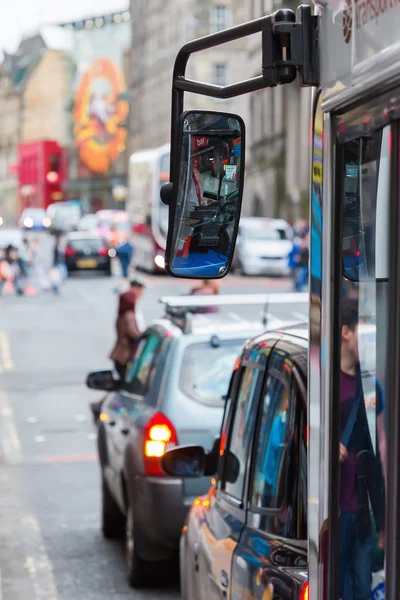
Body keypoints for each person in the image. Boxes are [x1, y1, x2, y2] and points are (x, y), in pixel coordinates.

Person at [338, 298, 385, 600]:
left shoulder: (371, 386)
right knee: (338, 584)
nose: (367, 342)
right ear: (346, 332)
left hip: (364, 508)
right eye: (362, 334)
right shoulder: (326, 383)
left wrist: (385, 518)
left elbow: (382, 446)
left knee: (361, 587)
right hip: (335, 508)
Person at [109, 278, 146, 379]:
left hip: (121, 354)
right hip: (125, 355)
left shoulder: (123, 314)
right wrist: (145, 337)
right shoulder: (128, 315)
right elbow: (132, 332)